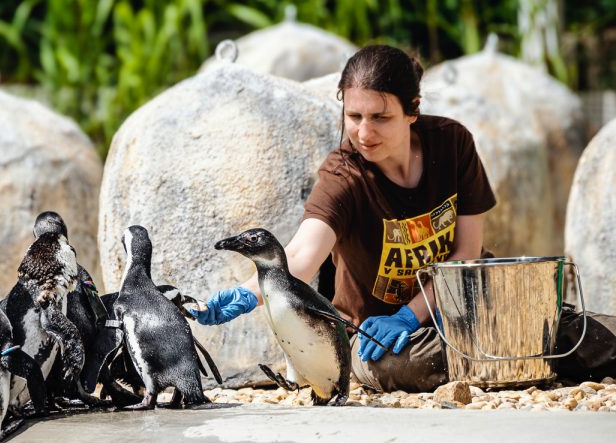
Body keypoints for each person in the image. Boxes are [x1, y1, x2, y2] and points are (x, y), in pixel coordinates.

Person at [189, 44, 497, 393]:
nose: (364, 134)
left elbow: (467, 254)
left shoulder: (452, 144)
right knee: (408, 363)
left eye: (380, 118)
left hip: (457, 307)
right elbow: (303, 257)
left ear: (412, 111)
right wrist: (244, 296)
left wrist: (409, 315)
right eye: (354, 117)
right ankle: (497, 353)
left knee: (558, 326)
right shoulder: (343, 176)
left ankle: (499, 347)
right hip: (374, 339)